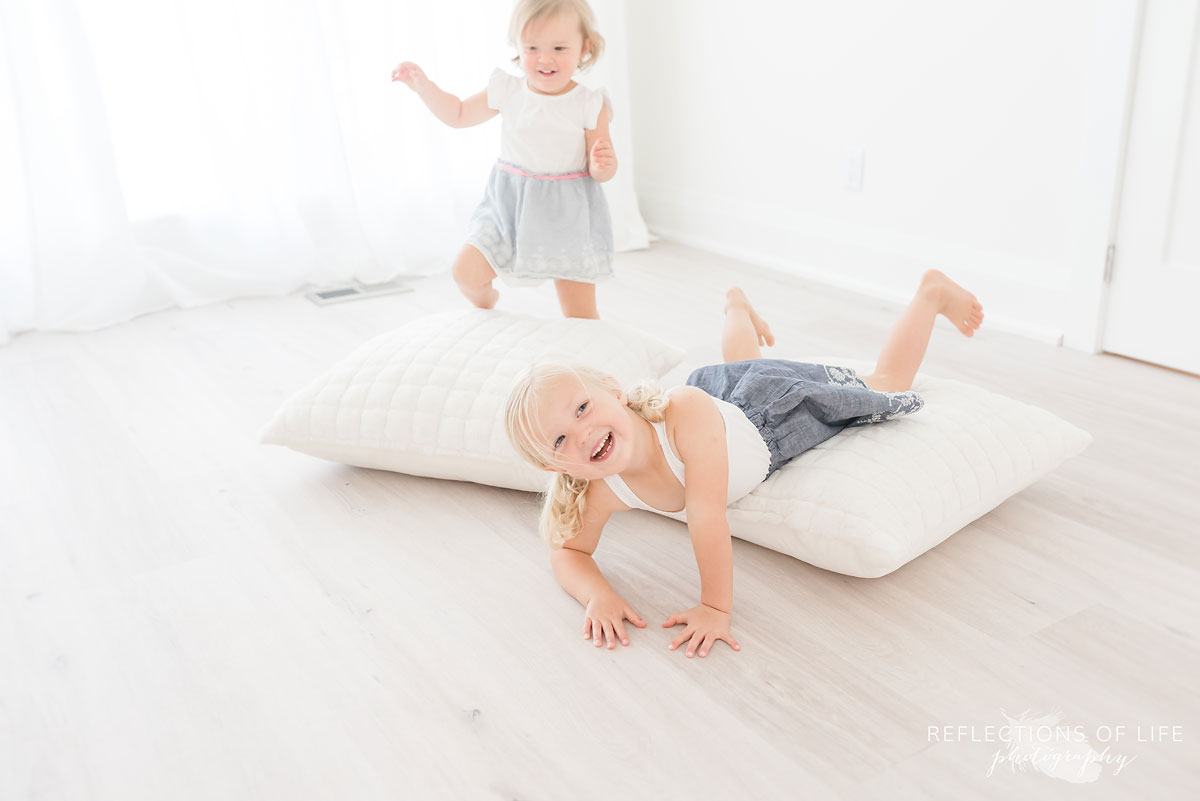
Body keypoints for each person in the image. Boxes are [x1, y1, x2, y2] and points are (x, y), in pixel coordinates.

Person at [504, 270, 984, 658]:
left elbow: (707, 516)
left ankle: (931, 293)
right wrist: (597, 595)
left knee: (886, 382)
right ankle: (737, 306)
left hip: (765, 416)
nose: (582, 434)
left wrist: (715, 607)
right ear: (557, 468)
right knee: (743, 364)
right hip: (724, 410)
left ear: (613, 389)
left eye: (583, 409)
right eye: (561, 440)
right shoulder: (603, 490)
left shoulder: (683, 415)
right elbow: (568, 553)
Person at [391, 0, 615, 319]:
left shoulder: (589, 103)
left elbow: (602, 168)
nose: (545, 58)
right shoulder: (507, 90)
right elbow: (457, 114)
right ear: (518, 48)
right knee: (464, 271)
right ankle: (486, 303)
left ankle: (583, 356)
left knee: (580, 314)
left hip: (567, 213)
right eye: (532, 47)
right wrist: (424, 88)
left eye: (560, 47)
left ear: (584, 48)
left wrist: (603, 165)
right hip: (509, 204)